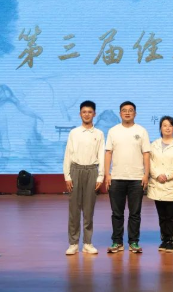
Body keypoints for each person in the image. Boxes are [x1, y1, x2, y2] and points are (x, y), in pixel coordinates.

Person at [104, 101, 151, 254]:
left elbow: (146, 154)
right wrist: (107, 174)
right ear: (120, 113)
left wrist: (146, 175)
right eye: (124, 110)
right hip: (116, 177)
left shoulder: (141, 131)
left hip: (136, 178)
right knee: (117, 213)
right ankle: (117, 242)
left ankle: (134, 242)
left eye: (130, 110)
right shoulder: (113, 131)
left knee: (135, 213)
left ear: (135, 113)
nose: (127, 113)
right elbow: (108, 153)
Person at [63, 100, 105, 256]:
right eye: (84, 112)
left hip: (92, 171)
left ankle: (87, 243)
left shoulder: (99, 134)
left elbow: (101, 155)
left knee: (89, 209)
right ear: (80, 114)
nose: (87, 114)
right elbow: (68, 155)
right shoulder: (74, 133)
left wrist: (100, 176)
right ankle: (73, 243)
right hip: (76, 170)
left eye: (89, 112)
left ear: (94, 114)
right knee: (74, 209)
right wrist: (67, 176)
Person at [147, 116, 173, 253]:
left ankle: (170, 240)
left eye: (170, 125)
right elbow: (149, 162)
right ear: (160, 128)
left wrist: (167, 175)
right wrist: (157, 174)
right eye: (164, 125)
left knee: (171, 215)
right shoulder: (154, 145)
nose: (167, 128)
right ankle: (163, 239)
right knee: (162, 215)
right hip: (158, 184)